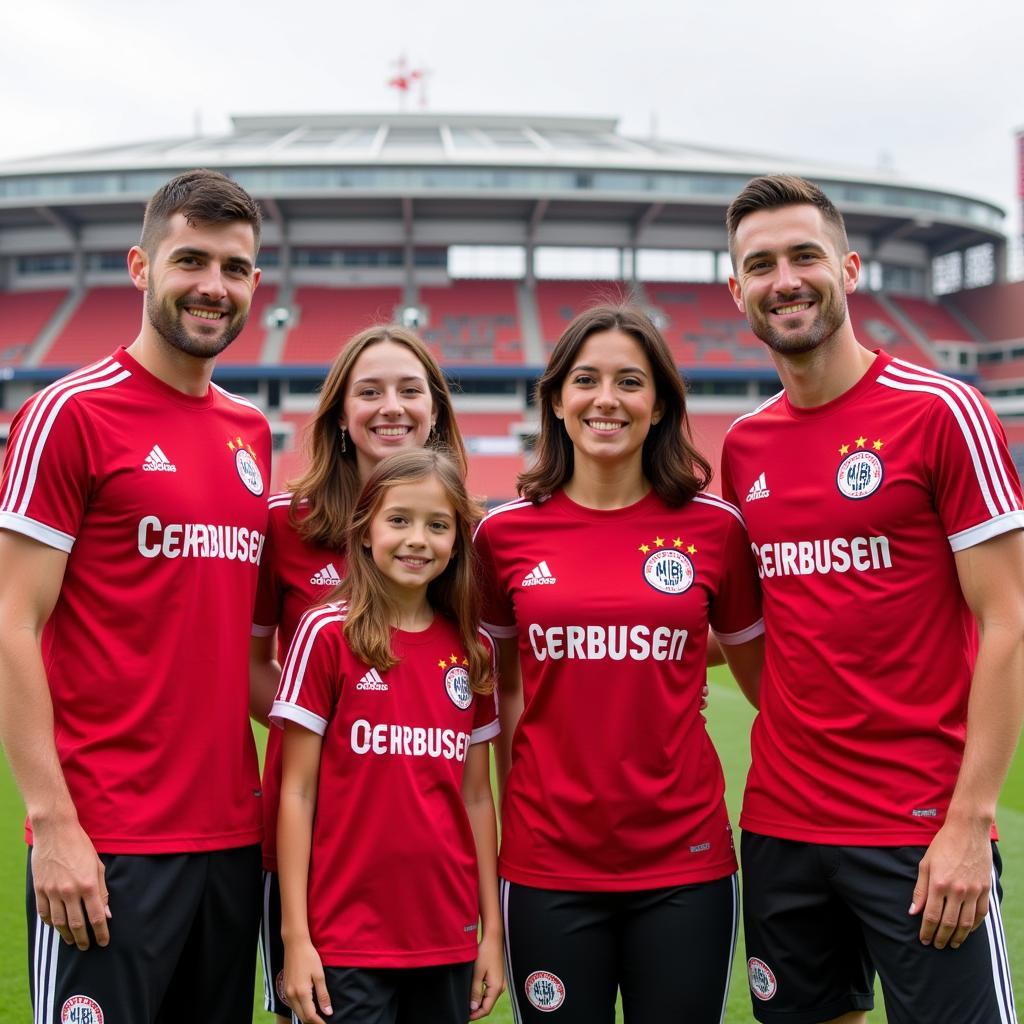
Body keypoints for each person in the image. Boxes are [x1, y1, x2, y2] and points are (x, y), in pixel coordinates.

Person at [722, 173, 1024, 1024]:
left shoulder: (943, 413)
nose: (785, 279)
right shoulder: (745, 447)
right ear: (735, 288)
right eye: (762, 263)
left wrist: (969, 824)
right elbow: (767, 622)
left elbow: (1009, 620)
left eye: (805, 255)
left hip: (920, 824)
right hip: (782, 826)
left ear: (850, 269)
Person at [0, 169, 270, 1022]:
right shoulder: (68, 414)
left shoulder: (251, 432)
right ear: (140, 266)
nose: (212, 286)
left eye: (234, 268)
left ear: (255, 283)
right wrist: (55, 825)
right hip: (108, 841)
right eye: (190, 260)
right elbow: (11, 618)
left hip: (233, 841)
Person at [474, 304, 765, 1023]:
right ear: (556, 399)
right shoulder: (502, 536)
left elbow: (766, 679)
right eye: (586, 379)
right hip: (546, 863)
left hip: (685, 860)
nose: (607, 398)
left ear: (660, 401)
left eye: (630, 381)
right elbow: (500, 690)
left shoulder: (716, 527)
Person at [250, 324, 468, 1019]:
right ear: (340, 413)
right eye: (368, 392)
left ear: (435, 407)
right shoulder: (284, 524)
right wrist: (343, 728)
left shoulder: (470, 536)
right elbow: (252, 665)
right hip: (317, 848)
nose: (390, 407)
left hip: (429, 878)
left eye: (409, 390)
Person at [272, 448, 504, 1024]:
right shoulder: (326, 633)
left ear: (457, 543)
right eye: (399, 520)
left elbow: (477, 797)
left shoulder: (474, 651)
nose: (417, 539)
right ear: (367, 530)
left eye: (438, 524)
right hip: (345, 941)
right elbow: (296, 793)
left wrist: (492, 932)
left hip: (448, 936)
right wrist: (295, 938)